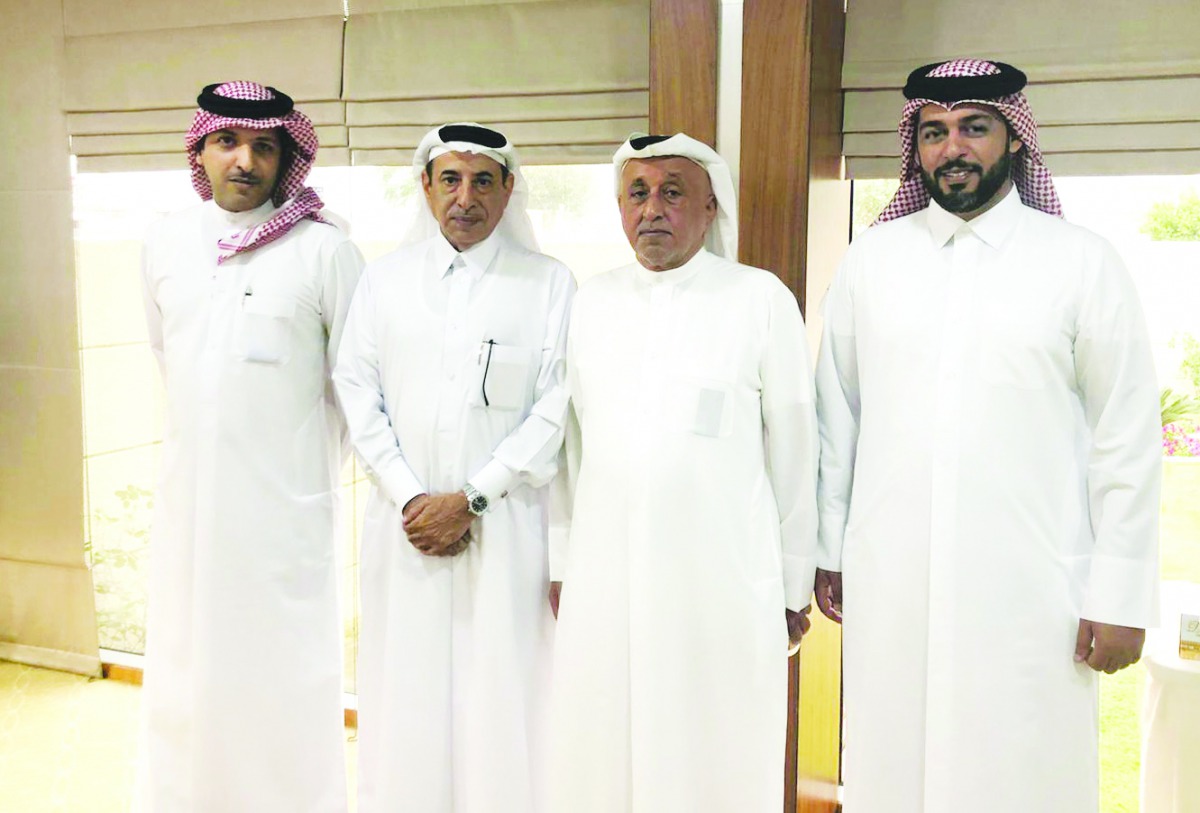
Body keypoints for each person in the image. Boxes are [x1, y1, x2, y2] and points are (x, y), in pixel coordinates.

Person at [814, 59, 1162, 813]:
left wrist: (1122, 592)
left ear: (1014, 139)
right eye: (934, 133)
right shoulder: (873, 260)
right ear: (915, 147)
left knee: (1022, 763)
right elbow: (835, 416)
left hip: (1031, 587)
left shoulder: (1081, 263)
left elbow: (1125, 437)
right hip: (893, 574)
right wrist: (827, 547)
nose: (953, 149)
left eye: (974, 127)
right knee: (890, 762)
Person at [547, 132, 819, 813]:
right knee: (604, 748)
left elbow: (794, 448)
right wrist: (562, 562)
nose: (653, 209)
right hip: (606, 576)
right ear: (618, 208)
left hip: (722, 584)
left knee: (717, 748)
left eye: (673, 192)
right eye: (637, 193)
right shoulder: (590, 302)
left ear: (709, 207)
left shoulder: (759, 299)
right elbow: (566, 447)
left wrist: (792, 583)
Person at [333, 123, 575, 813]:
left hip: (504, 530)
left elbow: (556, 409)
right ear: (426, 187)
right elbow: (357, 392)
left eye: (482, 181)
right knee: (401, 690)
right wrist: (415, 498)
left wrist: (470, 497)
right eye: (450, 179)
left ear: (507, 191)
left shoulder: (550, 284)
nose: (464, 197)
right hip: (405, 529)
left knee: (502, 693)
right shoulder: (383, 281)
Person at [138, 81, 364, 812]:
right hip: (191, 512)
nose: (244, 160)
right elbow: (172, 363)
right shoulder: (166, 243)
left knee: (281, 678)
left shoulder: (326, 251)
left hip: (283, 520)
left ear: (285, 157)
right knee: (183, 670)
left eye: (264, 146)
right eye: (228, 142)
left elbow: (357, 389)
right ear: (200, 150)